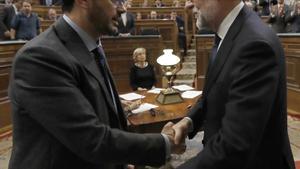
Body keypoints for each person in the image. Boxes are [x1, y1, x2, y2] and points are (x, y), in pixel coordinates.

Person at [8, 0, 185, 168]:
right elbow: (91, 139)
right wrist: (165, 142)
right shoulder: (41, 57)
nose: (122, 9)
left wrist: (119, 164)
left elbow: (101, 117)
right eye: (114, 1)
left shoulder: (91, 47)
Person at [170, 0, 296, 169]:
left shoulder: (255, 45)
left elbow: (233, 148)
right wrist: (189, 121)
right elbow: (217, 90)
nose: (187, 4)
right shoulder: (228, 31)